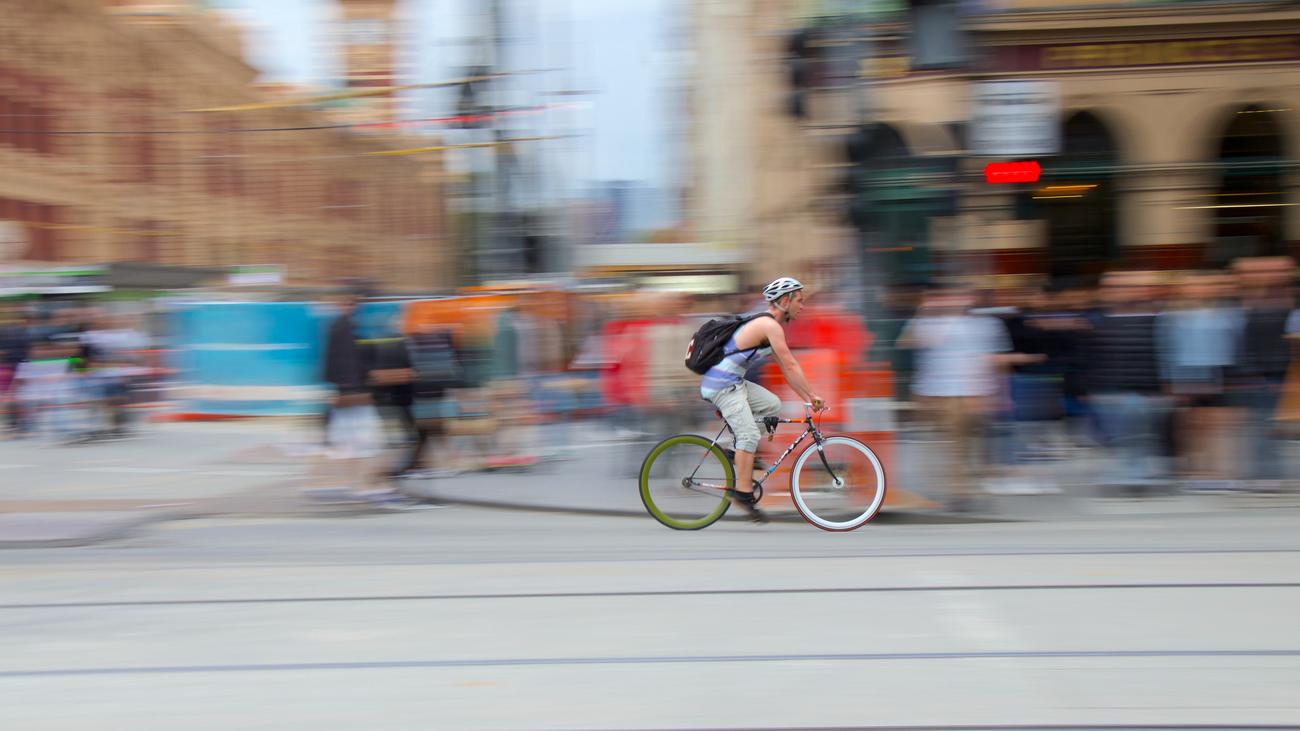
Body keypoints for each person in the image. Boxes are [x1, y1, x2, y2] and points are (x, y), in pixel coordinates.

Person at [699, 277, 826, 522]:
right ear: (785, 300)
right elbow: (791, 362)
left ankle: (738, 452)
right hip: (721, 385)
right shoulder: (769, 326)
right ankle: (743, 492)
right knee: (749, 434)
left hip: (732, 382)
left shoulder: (770, 327)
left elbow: (788, 370)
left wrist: (808, 397)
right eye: (799, 300)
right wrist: (812, 395)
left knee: (771, 405)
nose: (803, 305)